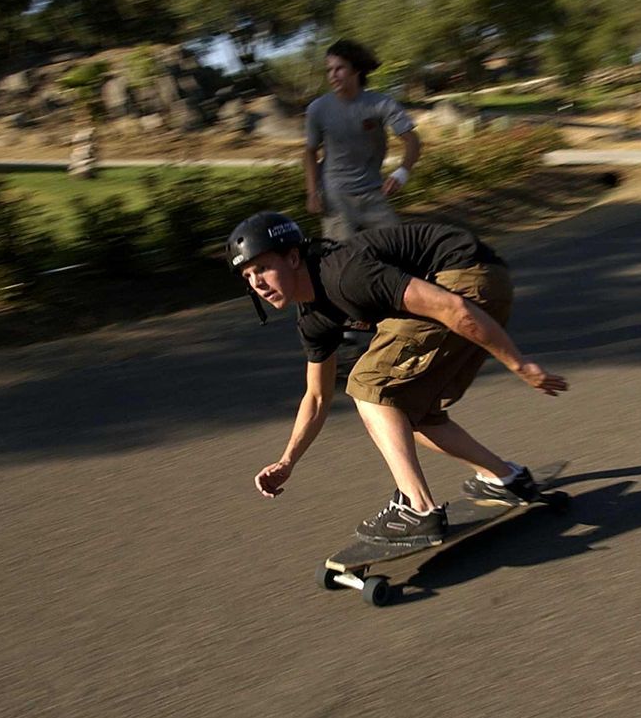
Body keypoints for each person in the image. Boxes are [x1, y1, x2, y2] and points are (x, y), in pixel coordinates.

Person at [227, 211, 567, 545]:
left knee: (368, 384)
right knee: (405, 409)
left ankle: (418, 509)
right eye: (247, 276)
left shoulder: (345, 275)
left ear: (293, 257)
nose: (257, 282)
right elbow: (317, 397)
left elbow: (453, 309)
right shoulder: (313, 319)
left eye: (263, 268)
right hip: (477, 284)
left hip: (466, 278)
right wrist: (288, 461)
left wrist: (518, 364)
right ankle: (505, 477)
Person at [303, 39, 422, 240]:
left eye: (339, 68)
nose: (332, 75)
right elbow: (309, 152)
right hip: (335, 198)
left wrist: (402, 173)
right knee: (343, 260)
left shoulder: (380, 104)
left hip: (373, 194)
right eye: (329, 70)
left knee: (400, 248)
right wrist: (312, 192)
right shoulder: (317, 109)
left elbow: (413, 141)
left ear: (356, 70)